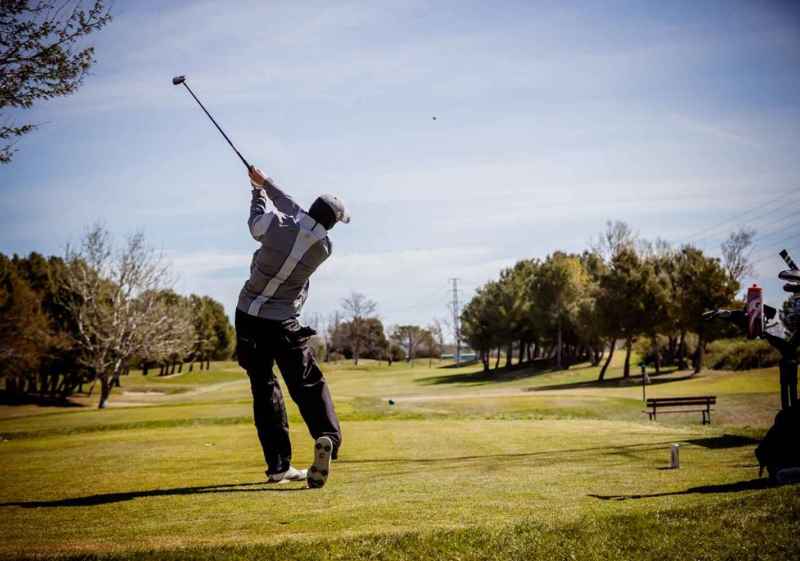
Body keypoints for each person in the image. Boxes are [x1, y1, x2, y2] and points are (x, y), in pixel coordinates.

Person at [235, 165, 348, 488]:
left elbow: (258, 224)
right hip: (282, 322)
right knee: (307, 383)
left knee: (263, 386)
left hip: (247, 316)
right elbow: (295, 212)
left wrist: (258, 191)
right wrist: (267, 183)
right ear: (332, 223)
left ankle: (278, 466)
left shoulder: (277, 224)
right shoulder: (323, 248)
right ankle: (327, 436)